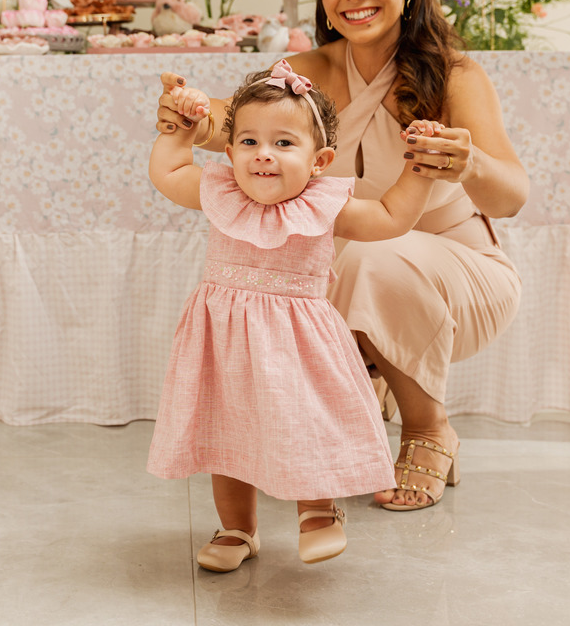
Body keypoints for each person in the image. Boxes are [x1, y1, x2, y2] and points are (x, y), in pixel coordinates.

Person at [156, 0, 527, 512]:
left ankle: (429, 426)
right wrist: (188, 115)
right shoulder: (303, 72)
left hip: (462, 280)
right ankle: (368, 369)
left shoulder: (455, 75)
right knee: (272, 283)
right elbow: (234, 124)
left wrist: (470, 164)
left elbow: (511, 196)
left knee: (364, 259)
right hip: (346, 275)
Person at [147, 58, 441, 572]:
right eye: (249, 141)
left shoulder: (325, 204)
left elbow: (392, 216)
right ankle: (237, 527)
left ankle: (318, 511)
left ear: (319, 160)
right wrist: (179, 129)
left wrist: (420, 167)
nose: (263, 154)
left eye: (284, 143)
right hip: (224, 344)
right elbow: (168, 172)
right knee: (226, 434)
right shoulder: (220, 192)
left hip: (299, 346)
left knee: (306, 425)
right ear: (231, 150)